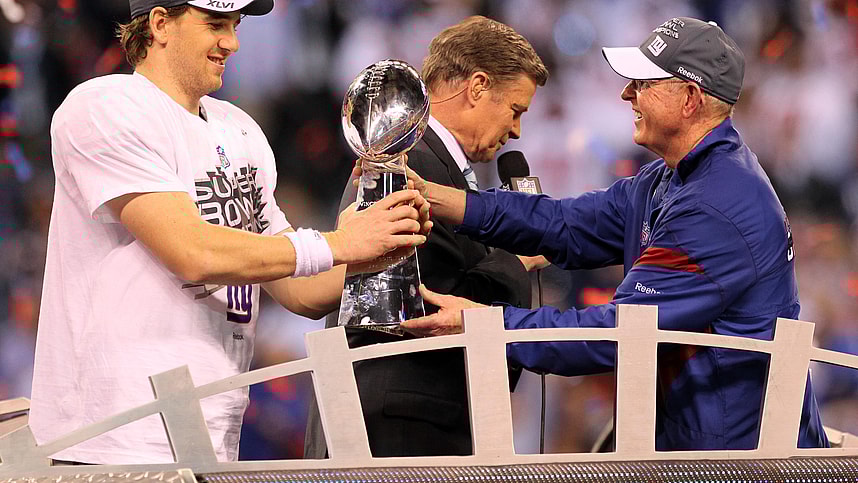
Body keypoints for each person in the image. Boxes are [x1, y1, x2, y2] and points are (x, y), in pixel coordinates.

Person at [28, 0, 431, 465]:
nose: (232, 42)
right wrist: (339, 243)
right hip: (112, 434)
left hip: (214, 428)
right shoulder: (105, 106)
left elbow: (298, 286)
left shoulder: (240, 131)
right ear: (160, 23)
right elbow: (191, 251)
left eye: (235, 26)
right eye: (216, 24)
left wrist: (373, 250)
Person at [399, 17, 829, 450]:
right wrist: (448, 200)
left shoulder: (717, 205)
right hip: (699, 444)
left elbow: (617, 333)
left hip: (740, 462)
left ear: (690, 99)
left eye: (643, 83)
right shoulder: (670, 179)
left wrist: (484, 325)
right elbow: (564, 223)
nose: (627, 94)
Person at [304, 16, 548, 458]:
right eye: (516, 110)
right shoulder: (407, 161)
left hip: (402, 416)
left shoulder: (430, 163)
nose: (516, 131)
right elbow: (415, 305)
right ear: (477, 87)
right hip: (397, 423)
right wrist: (516, 260)